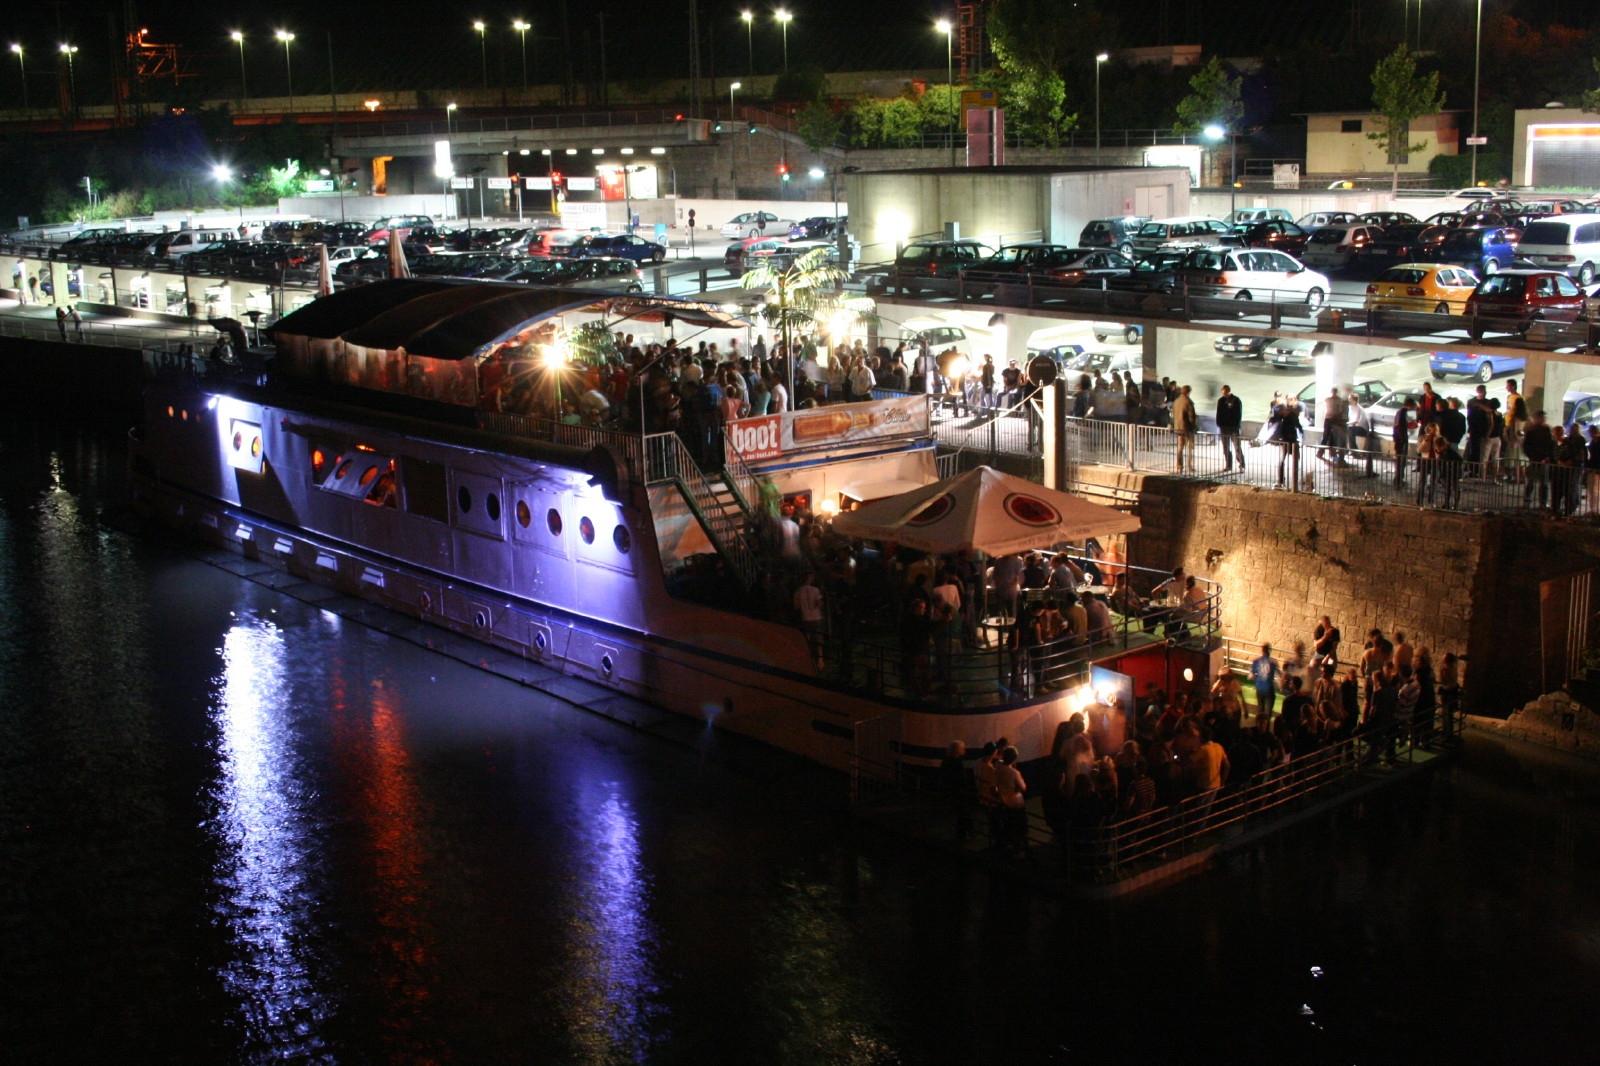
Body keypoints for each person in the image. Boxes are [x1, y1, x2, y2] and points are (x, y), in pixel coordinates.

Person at [1521, 409, 1555, 509]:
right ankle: (1530, 501)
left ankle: (1541, 503)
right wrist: (1532, 456)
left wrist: (1547, 457)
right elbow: (1527, 446)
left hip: (1541, 459)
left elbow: (1550, 445)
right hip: (1536, 459)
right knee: (1532, 482)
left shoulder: (1545, 430)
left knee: (1542, 483)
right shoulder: (1532, 431)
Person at [793, 572, 825, 668]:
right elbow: (819, 604)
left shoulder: (798, 592)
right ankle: (820, 660)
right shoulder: (816, 590)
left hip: (805, 618)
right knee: (818, 639)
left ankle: (809, 659)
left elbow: (796, 607)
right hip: (816, 617)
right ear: (810, 578)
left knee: (808, 639)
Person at [1272, 399, 1303, 488]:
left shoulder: (1285, 417)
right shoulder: (1287, 416)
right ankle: (1291, 480)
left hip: (1287, 440)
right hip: (1291, 440)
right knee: (1293, 460)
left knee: (1285, 460)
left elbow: (1296, 426)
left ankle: (1283, 480)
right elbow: (1298, 426)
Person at [1216, 384, 1244, 472]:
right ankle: (1228, 465)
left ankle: (1242, 464)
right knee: (1225, 447)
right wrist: (1219, 424)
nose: (1224, 395)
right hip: (1224, 428)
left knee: (1237, 447)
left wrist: (1236, 425)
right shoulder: (1220, 401)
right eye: (1223, 393)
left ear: (1229, 391)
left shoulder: (1236, 400)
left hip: (1233, 428)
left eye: (1225, 393)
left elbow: (1238, 415)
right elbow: (1218, 413)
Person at [1319, 387, 1348, 463]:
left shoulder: (1331, 400)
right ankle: (1325, 453)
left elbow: (1339, 410)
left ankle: (1325, 453)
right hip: (1332, 419)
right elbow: (1340, 411)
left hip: (1332, 419)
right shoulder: (1336, 400)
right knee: (1328, 437)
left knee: (1329, 437)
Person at [1172, 383, 1197, 472]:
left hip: (1178, 428)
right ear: (1188, 392)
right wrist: (1194, 427)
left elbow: (1173, 414)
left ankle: (1179, 466)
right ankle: (1189, 466)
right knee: (1190, 448)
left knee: (1180, 448)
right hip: (1187, 428)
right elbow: (1191, 417)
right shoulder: (1188, 402)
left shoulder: (1176, 401)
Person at [1251, 643, 1279, 723]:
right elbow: (1279, 676)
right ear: (1269, 650)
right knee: (1268, 712)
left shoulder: (1256, 661)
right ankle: (1266, 729)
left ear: (1262, 650)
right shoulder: (1273, 662)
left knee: (1260, 709)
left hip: (1259, 688)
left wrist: (1257, 682)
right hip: (1269, 688)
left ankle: (1259, 727)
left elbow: (1251, 675)